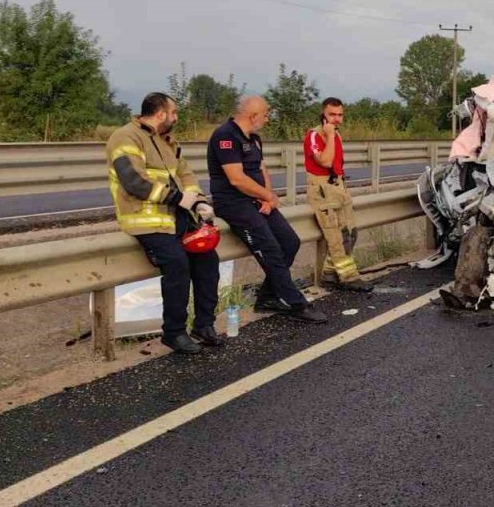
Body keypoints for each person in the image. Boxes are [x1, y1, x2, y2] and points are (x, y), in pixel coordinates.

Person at [106, 92, 222, 354]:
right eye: (174, 113)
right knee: (177, 264)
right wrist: (179, 198)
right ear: (161, 114)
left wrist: (200, 201)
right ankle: (174, 333)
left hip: (176, 216)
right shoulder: (125, 137)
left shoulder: (167, 141)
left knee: (208, 260)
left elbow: (186, 175)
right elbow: (133, 182)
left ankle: (204, 325)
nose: (176, 118)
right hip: (145, 219)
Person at [208, 95, 328, 324]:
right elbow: (236, 179)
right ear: (252, 116)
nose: (267, 119)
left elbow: (261, 169)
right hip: (234, 204)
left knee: (290, 242)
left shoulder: (254, 138)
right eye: (265, 115)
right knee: (270, 249)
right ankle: (296, 303)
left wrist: (268, 197)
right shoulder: (225, 136)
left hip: (256, 200)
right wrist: (266, 195)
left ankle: (267, 297)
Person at [304, 98, 374, 292]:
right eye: (331, 115)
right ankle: (349, 277)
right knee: (336, 237)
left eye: (339, 115)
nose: (336, 119)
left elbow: (337, 165)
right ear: (323, 115)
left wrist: (333, 136)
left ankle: (329, 274)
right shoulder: (314, 135)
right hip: (322, 189)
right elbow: (325, 162)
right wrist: (329, 135)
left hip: (338, 187)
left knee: (350, 233)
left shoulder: (336, 135)